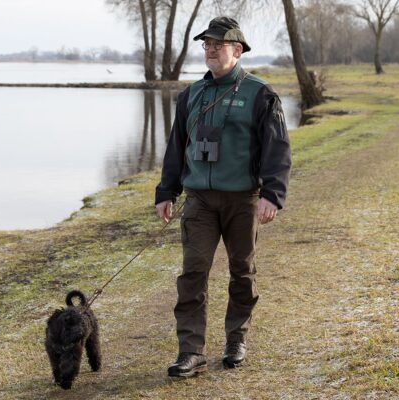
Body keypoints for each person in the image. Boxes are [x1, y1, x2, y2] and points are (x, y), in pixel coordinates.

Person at [155, 16, 291, 378]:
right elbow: (175, 148)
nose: (210, 49)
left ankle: (236, 340)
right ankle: (190, 351)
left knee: (242, 272)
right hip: (199, 200)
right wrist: (166, 191)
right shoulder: (192, 95)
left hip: (243, 199)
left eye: (218, 44)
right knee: (192, 274)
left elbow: (277, 149)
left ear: (238, 49)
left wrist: (272, 195)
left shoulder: (260, 94)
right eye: (206, 45)